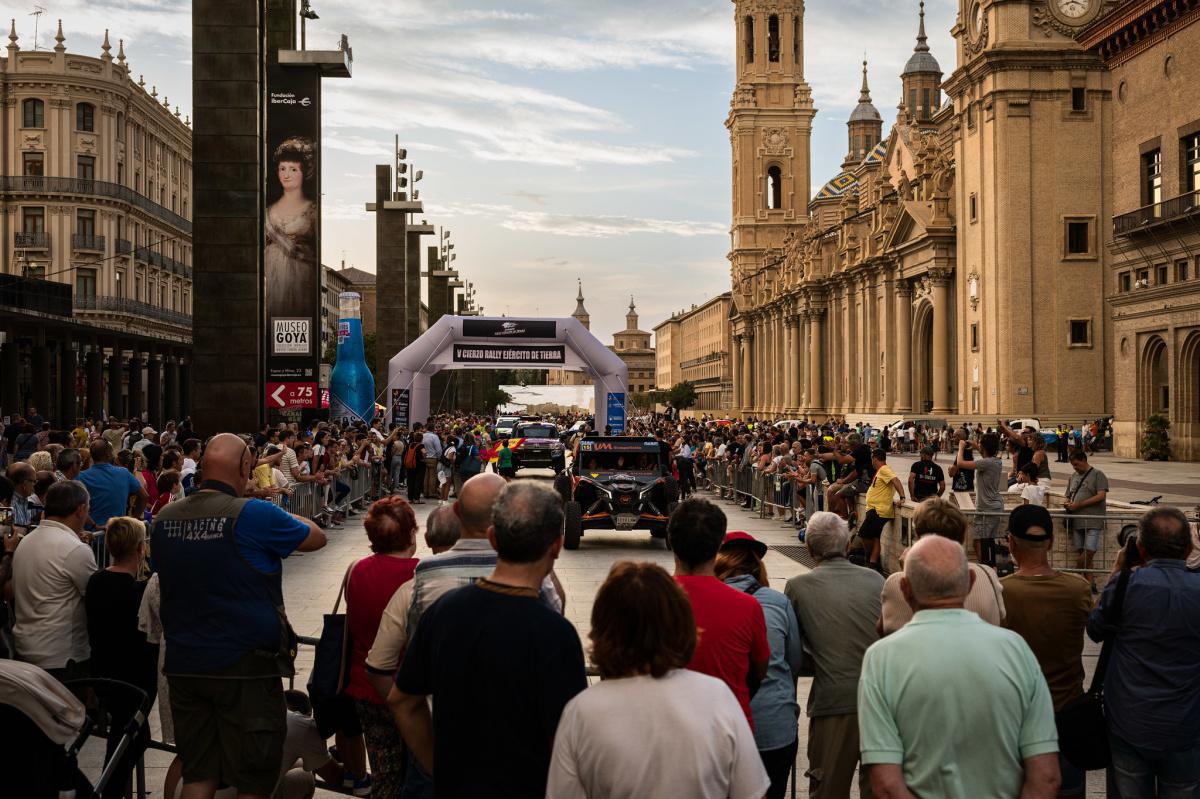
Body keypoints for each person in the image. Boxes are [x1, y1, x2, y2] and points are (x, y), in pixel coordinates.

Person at [150, 433, 326, 799]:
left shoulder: (165, 519)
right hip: (244, 667)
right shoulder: (253, 513)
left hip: (185, 662)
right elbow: (315, 536)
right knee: (254, 777)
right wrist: (272, 509)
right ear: (246, 466)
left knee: (198, 771)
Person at [389, 481, 587, 798]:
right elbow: (569, 737)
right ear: (557, 545)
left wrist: (437, 768)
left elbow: (402, 701)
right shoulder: (555, 633)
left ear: (493, 539)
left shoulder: (445, 612)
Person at [858, 535, 1061, 798]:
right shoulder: (1016, 650)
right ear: (970, 583)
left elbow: (886, 786)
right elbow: (1046, 777)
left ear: (905, 589)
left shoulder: (881, 659)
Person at [546, 561, 770, 799]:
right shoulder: (716, 696)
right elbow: (752, 792)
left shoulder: (581, 712)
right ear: (681, 623)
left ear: (604, 627)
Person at [1087, 507, 1200, 798]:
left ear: (1139, 548)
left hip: (1129, 721)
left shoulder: (1127, 586)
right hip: (1186, 723)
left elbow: (1096, 629)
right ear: (1188, 549)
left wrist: (1117, 572)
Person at [784, 511, 881, 798]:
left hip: (834, 700)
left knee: (828, 787)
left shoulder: (798, 587)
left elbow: (792, 650)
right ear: (847, 546)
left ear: (809, 550)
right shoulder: (876, 580)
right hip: (880, 698)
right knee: (877, 787)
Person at [1000, 504, 1093, 797]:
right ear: (1051, 542)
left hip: (1016, 718)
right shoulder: (1077, 589)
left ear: (1010, 543)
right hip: (1066, 716)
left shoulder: (1001, 592)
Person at [715, 532, 803, 799]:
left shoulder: (710, 600)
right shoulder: (778, 602)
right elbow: (794, 660)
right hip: (774, 728)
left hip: (722, 730)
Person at [344, 495, 421, 799]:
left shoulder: (357, 570)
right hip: (408, 690)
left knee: (384, 772)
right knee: (417, 774)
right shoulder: (419, 575)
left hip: (366, 687)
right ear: (412, 533)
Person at [669, 498, 770, 728]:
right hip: (729, 732)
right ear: (718, 547)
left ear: (671, 541)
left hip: (666, 732)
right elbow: (760, 670)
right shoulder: (747, 606)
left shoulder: (645, 599)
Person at [85, 516, 159, 799]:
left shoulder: (96, 581)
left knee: (126, 735)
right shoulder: (140, 590)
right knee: (128, 738)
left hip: (103, 669)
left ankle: (114, 789)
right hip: (134, 678)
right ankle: (110, 790)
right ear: (141, 549)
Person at [878, 497, 1006, 634]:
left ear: (918, 535)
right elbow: (1001, 620)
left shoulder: (895, 582)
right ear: (961, 537)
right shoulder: (987, 574)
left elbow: (883, 630)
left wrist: (909, 572)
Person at [10, 480, 97, 679]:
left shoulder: (26, 542)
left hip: (26, 651)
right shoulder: (74, 549)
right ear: (81, 509)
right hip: (62, 658)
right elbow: (95, 597)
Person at [265, 136, 317, 314]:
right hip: (272, 277)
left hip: (301, 278)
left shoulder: (312, 210)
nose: (286, 175)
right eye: (282, 169)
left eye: (293, 169)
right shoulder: (268, 211)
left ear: (304, 172)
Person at [954, 432, 1004, 566]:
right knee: (988, 540)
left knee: (979, 541)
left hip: (986, 508)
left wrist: (961, 447)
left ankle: (986, 567)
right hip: (994, 506)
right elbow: (985, 457)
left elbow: (960, 463)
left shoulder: (985, 463)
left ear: (984, 447)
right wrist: (977, 446)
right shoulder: (996, 461)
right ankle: (990, 566)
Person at [79, 439, 149, 535]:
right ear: (108, 454)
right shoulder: (123, 473)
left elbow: (77, 507)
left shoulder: (80, 477)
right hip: (118, 535)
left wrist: (95, 526)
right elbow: (144, 496)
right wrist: (133, 519)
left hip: (93, 536)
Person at [1063, 450, 1108, 591]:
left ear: (1084, 460)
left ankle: (1076, 577)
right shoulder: (1073, 477)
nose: (1075, 467)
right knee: (1082, 551)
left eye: (1076, 464)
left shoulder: (1098, 475)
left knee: (1089, 550)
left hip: (1093, 520)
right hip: (1077, 520)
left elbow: (1101, 495)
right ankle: (1089, 585)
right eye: (1073, 465)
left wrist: (1080, 504)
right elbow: (1067, 495)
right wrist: (1067, 503)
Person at [858, 449, 906, 571]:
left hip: (878, 510)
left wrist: (902, 497)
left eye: (872, 459)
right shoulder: (880, 471)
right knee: (875, 537)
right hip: (876, 509)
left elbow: (896, 480)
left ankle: (870, 557)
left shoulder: (884, 469)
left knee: (863, 534)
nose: (872, 462)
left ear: (875, 458)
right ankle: (873, 563)